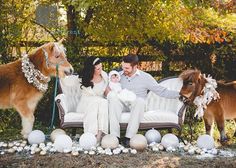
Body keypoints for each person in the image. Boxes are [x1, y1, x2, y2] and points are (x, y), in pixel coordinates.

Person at [107, 54, 180, 146]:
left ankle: (129, 138)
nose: (124, 70)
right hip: (122, 105)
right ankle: (115, 137)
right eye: (123, 67)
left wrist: (179, 94)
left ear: (135, 66)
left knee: (140, 101)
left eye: (127, 68)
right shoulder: (117, 76)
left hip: (138, 105)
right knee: (114, 98)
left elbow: (162, 91)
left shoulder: (145, 77)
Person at [77, 57, 109, 143]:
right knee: (96, 102)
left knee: (104, 102)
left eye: (101, 67)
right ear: (91, 69)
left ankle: (100, 133)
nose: (100, 70)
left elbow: (107, 92)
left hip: (100, 103)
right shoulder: (84, 78)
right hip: (86, 103)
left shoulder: (104, 75)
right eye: (98, 69)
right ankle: (92, 134)